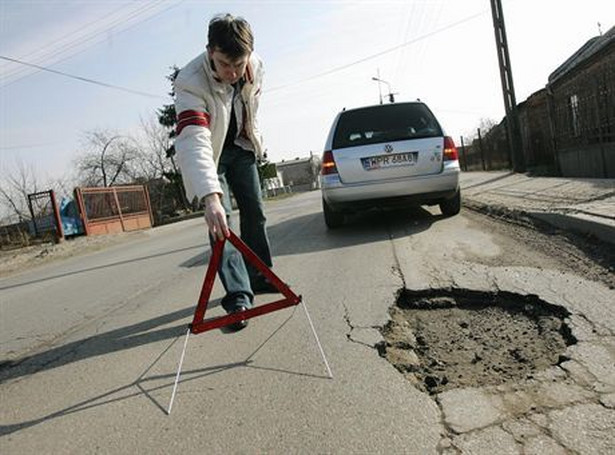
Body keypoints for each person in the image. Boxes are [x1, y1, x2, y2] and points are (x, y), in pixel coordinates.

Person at [174, 13, 275, 331]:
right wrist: (210, 196)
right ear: (209, 51)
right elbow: (194, 140)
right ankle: (238, 296)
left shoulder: (255, 66)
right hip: (212, 153)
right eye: (223, 64)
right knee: (221, 223)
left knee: (256, 212)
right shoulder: (190, 81)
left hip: (241, 147)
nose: (232, 73)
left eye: (238, 65)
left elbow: (250, 106)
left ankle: (259, 276)